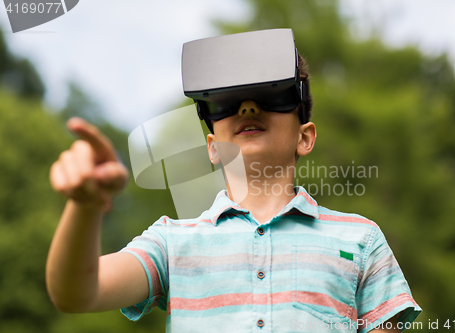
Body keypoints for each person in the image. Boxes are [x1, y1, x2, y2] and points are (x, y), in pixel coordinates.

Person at [46, 30, 421, 332]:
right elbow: (77, 292)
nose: (247, 108)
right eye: (225, 103)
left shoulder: (361, 241)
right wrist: (85, 207)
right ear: (212, 147)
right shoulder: (170, 243)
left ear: (304, 137)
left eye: (272, 96)